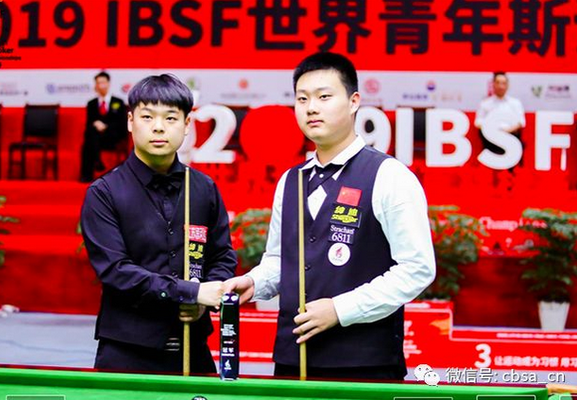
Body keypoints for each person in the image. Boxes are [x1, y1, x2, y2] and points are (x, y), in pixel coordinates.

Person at [224, 52, 435, 380]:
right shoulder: (291, 180)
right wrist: (254, 282)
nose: (311, 108)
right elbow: (281, 260)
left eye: (324, 97)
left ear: (353, 102)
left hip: (365, 367)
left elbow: (417, 268)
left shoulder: (389, 175)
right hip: (293, 362)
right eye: (302, 98)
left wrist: (340, 309)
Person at [80, 74, 236, 374]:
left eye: (171, 118)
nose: (159, 127)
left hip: (193, 347)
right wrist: (189, 292)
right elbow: (115, 271)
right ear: (130, 121)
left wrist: (205, 296)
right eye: (148, 116)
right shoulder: (104, 192)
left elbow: (222, 256)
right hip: (126, 350)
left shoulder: (203, 188)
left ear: (187, 124)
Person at [79, 71, 128, 182]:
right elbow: (88, 124)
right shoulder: (91, 103)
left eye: (103, 82)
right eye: (98, 83)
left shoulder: (118, 102)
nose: (101, 85)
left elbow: (121, 124)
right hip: (97, 137)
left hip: (112, 136)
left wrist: (105, 126)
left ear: (108, 84)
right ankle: (90, 170)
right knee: (90, 133)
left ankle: (95, 162)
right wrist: (95, 124)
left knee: (90, 140)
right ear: (95, 86)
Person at [474, 72, 526, 159]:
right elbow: (478, 122)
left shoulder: (515, 103)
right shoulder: (486, 103)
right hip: (491, 137)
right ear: (493, 84)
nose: (500, 86)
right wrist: (492, 130)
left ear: (508, 85)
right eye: (498, 83)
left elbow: (521, 122)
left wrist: (507, 131)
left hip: (510, 136)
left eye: (503, 83)